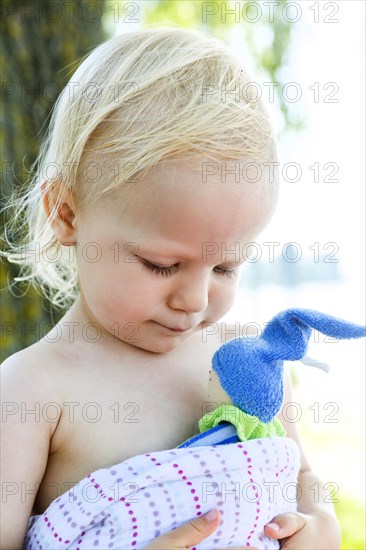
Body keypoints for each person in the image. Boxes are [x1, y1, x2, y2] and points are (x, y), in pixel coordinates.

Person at [1, 28, 341, 549]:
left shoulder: (246, 358)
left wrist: (320, 526)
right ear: (66, 214)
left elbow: (300, 483)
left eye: (226, 268)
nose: (196, 300)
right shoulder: (32, 393)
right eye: (161, 264)